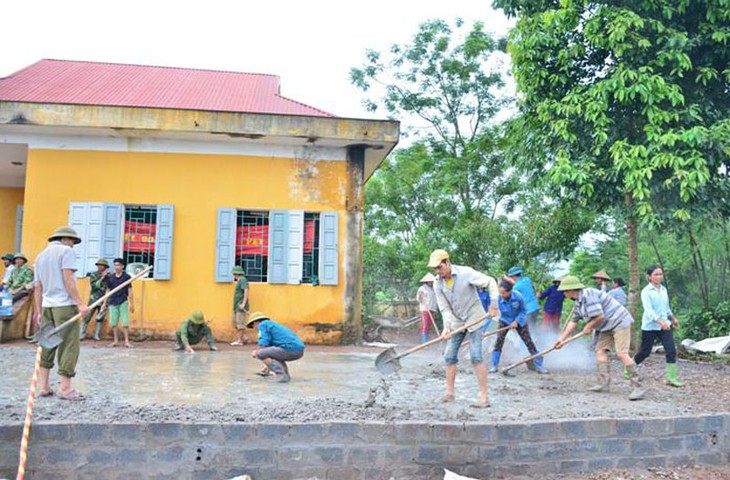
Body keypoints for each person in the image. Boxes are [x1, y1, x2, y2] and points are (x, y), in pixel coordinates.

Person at [554, 276, 645, 401]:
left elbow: (600, 316)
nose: (563, 293)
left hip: (619, 321)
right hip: (605, 326)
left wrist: (589, 326)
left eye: (564, 291)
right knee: (600, 351)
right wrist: (562, 339)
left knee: (621, 353)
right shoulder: (578, 302)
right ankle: (604, 383)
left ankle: (638, 387)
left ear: (571, 290)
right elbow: (573, 321)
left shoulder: (588, 295)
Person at [428, 249, 499, 409]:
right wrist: (446, 328)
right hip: (457, 321)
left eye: (439, 267)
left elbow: (491, 282)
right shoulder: (437, 282)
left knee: (475, 356)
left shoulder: (466, 273)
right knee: (449, 355)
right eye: (435, 269)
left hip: (475, 317)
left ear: (447, 262)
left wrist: (494, 304)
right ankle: (449, 393)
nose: (437, 272)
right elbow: (444, 308)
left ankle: (484, 397)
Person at [33, 226, 89, 401]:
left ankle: (44, 387)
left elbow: (37, 287)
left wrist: (38, 310)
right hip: (64, 305)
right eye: (72, 241)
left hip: (47, 306)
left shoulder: (40, 256)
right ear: (66, 239)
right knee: (69, 345)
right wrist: (79, 303)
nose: (73, 245)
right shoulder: (66, 252)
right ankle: (65, 388)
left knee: (47, 344)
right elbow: (67, 278)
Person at [634, 265, 682, 387]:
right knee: (645, 351)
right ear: (649, 277)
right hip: (650, 326)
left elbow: (666, 308)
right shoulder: (646, 291)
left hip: (665, 325)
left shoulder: (664, 290)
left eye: (660, 274)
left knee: (671, 350)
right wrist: (660, 321)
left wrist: (672, 318)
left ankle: (671, 378)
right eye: (656, 274)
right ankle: (630, 367)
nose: (659, 277)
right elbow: (649, 310)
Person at [491, 279, 548, 374]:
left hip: (519, 320)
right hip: (504, 320)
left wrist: (516, 321)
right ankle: (494, 366)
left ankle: (539, 365)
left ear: (510, 291)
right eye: (500, 292)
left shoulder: (518, 297)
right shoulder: (499, 298)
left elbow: (524, 311)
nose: (501, 295)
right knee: (499, 342)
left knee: (528, 342)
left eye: (504, 293)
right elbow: (497, 311)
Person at [247, 311, 305, 383]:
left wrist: (259, 353)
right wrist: (267, 365)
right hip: (298, 350)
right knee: (275, 355)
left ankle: (281, 375)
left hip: (290, 348)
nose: (254, 328)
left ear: (256, 322)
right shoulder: (272, 325)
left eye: (252, 325)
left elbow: (263, 342)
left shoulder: (262, 325)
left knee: (258, 353)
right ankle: (285, 375)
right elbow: (270, 351)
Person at [102, 258, 135, 348]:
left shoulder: (126, 277)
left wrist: (132, 304)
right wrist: (104, 303)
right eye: (115, 265)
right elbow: (108, 290)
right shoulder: (111, 277)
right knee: (113, 323)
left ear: (122, 266)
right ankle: (115, 341)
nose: (116, 267)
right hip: (112, 302)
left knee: (125, 322)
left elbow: (130, 291)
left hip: (123, 301)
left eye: (118, 265)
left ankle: (127, 342)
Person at [80, 259, 110, 341]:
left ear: (105, 267)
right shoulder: (93, 275)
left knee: (100, 318)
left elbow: (109, 287)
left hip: (104, 300)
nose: (100, 267)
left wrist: (105, 301)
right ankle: (81, 334)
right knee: (87, 317)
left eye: (102, 265)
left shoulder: (109, 276)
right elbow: (94, 286)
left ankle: (96, 335)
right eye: (99, 265)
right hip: (93, 299)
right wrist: (102, 277)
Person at [8, 253, 34, 317]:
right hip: (12, 290)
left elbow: (27, 283)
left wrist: (17, 290)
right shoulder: (14, 270)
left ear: (24, 260)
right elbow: (9, 281)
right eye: (16, 259)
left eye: (20, 259)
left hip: (23, 291)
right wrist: (10, 289)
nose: (18, 261)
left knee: (11, 300)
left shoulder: (28, 270)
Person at [416, 273, 439, 344]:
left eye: (432, 281)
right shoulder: (422, 288)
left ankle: (427, 340)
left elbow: (436, 299)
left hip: (432, 308)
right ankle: (424, 342)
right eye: (430, 281)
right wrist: (420, 296)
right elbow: (418, 299)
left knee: (429, 324)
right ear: (427, 281)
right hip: (425, 309)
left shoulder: (434, 288)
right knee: (425, 325)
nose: (431, 282)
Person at [230, 266, 250, 346]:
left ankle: (239, 341)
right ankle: (244, 337)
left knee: (240, 323)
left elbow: (246, 291)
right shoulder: (239, 281)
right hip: (236, 306)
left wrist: (243, 303)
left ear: (236, 273)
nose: (233, 275)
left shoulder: (243, 280)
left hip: (241, 306)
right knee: (234, 323)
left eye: (234, 274)